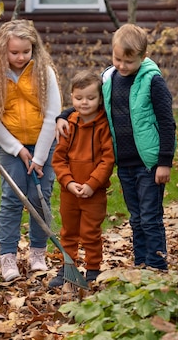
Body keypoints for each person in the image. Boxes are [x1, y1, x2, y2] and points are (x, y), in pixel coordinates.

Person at [56, 24, 176, 271]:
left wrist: (165, 161)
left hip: (149, 163)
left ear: (142, 57)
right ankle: (141, 262)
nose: (122, 65)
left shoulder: (153, 81)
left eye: (128, 61)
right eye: (117, 59)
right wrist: (64, 114)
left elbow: (167, 122)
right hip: (125, 162)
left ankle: (157, 264)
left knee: (150, 216)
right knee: (136, 217)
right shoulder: (109, 78)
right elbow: (90, 101)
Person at [0, 19, 62, 282]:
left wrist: (38, 157)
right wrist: (17, 149)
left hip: (44, 144)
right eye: (14, 52)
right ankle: (7, 256)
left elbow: (53, 115)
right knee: (12, 198)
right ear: (3, 51)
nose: (20, 57)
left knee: (39, 197)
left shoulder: (44, 72)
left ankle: (38, 253)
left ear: (33, 49)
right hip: (12, 147)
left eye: (25, 52)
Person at [49, 70, 115, 288]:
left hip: (93, 193)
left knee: (91, 232)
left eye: (90, 98)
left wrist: (91, 184)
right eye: (78, 98)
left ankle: (93, 269)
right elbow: (58, 160)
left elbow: (107, 160)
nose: (84, 102)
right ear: (71, 97)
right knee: (68, 232)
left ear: (100, 99)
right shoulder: (68, 124)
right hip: (69, 192)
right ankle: (68, 267)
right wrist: (68, 182)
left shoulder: (104, 125)